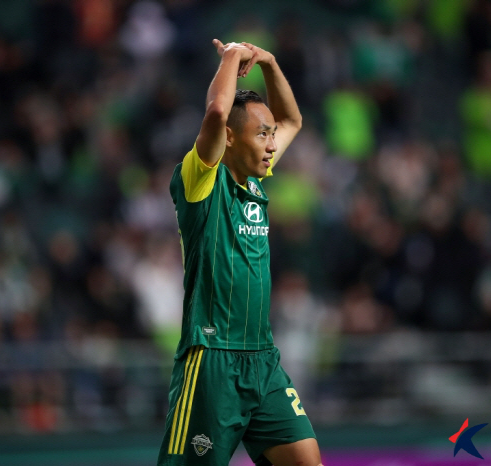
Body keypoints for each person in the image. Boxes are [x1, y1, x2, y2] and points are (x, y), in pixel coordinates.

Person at [157, 40, 323, 466]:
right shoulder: (200, 183)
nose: (272, 143)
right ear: (229, 139)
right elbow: (215, 112)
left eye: (271, 136)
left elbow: (292, 118)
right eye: (261, 134)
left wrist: (267, 60)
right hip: (211, 363)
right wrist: (233, 54)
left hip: (263, 361)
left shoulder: (255, 184)